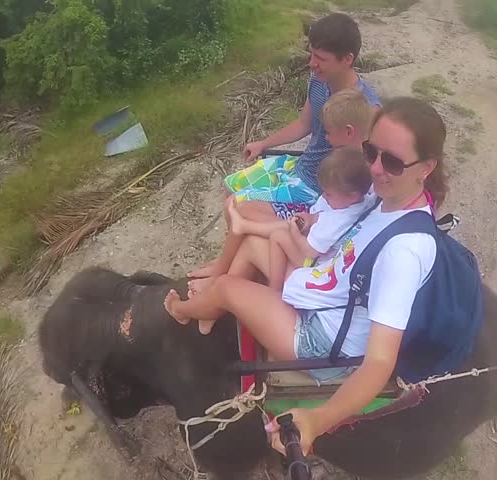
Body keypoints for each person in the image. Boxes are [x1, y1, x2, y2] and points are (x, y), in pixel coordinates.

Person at [164, 96, 448, 456]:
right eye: (370, 151)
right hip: (327, 288)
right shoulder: (387, 198)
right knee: (252, 242)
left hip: (323, 339)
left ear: (426, 168)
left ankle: (187, 311)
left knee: (226, 287)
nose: (375, 169)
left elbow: (379, 361)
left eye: (391, 161)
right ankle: (219, 311)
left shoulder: (404, 251)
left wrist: (318, 420)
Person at [188, 12, 380, 282]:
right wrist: (263, 143)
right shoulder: (318, 82)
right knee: (232, 183)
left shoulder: (365, 109)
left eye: (321, 59)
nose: (312, 64)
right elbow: (304, 123)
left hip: (318, 191)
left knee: (238, 204)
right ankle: (234, 257)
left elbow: (369, 173)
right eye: (311, 54)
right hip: (299, 168)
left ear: (347, 59)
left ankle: (225, 269)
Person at [189, 85, 377, 294]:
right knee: (238, 205)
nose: (325, 138)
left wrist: (308, 223)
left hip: (314, 228)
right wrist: (311, 218)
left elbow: (340, 214)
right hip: (314, 214)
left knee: (242, 209)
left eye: (329, 133)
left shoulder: (358, 172)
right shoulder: (353, 160)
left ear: (349, 132)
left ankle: (221, 280)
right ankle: (222, 274)